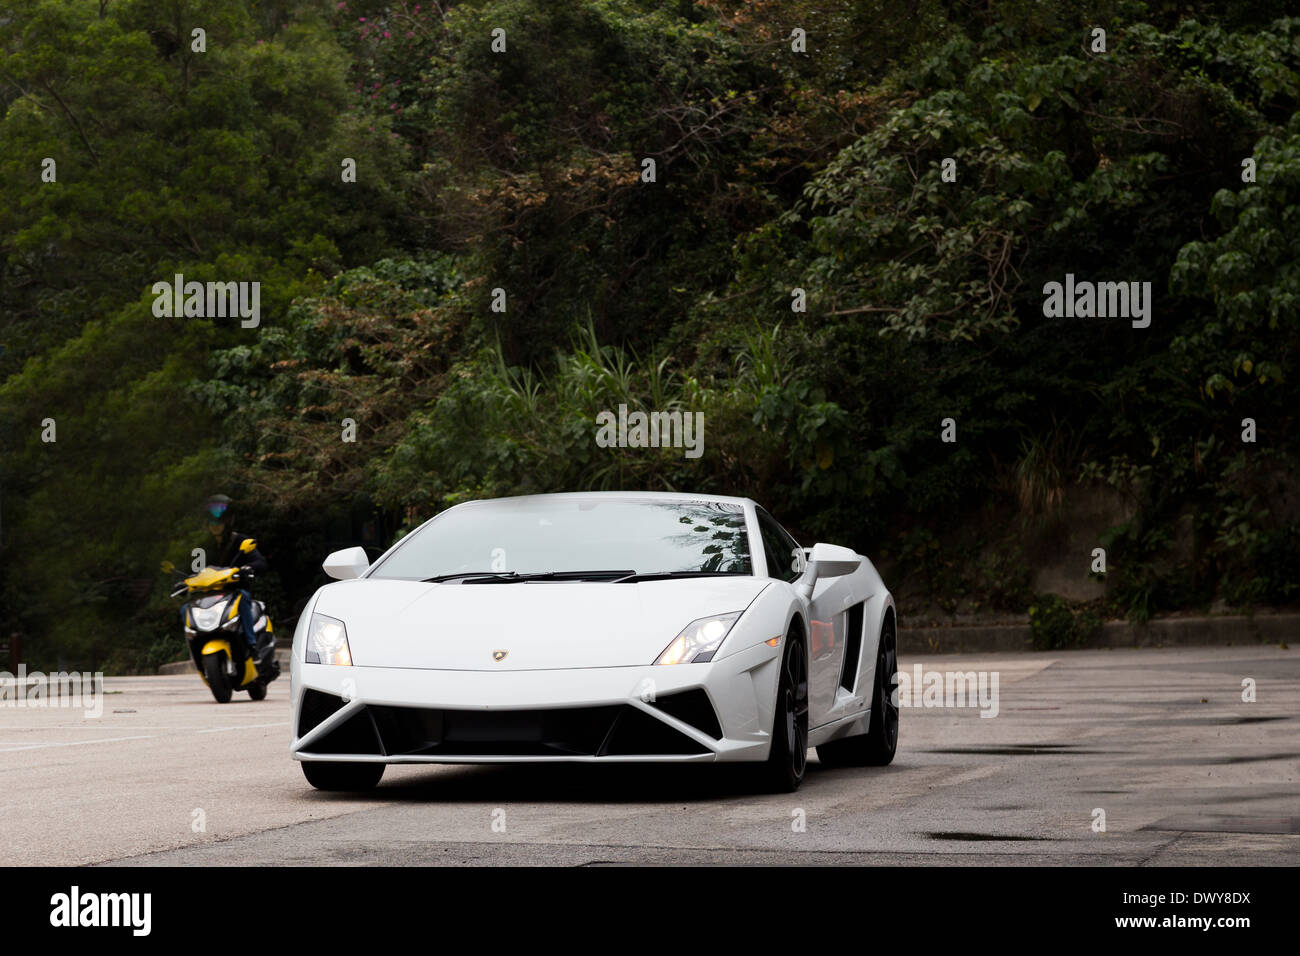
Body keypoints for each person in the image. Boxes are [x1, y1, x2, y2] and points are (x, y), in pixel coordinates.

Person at [202, 494, 268, 657]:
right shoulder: (202, 545)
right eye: (212, 523)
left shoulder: (240, 541)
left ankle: (252, 644)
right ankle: (197, 641)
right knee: (186, 609)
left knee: (243, 599)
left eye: (219, 522)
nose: (215, 526)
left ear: (228, 522)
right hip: (209, 595)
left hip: (234, 592)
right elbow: (193, 568)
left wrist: (247, 568)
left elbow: (260, 562)